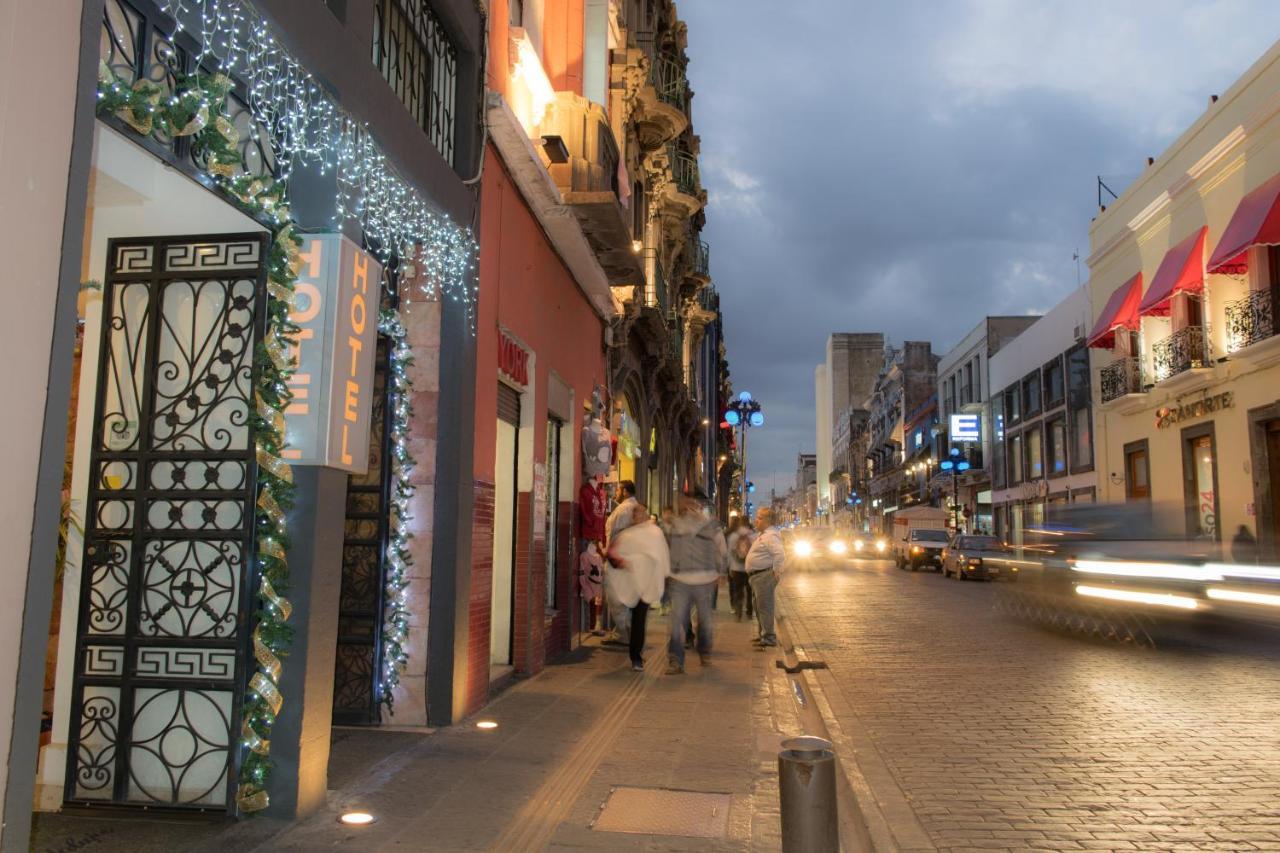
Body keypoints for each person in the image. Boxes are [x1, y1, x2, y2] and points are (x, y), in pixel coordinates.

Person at [664, 490, 729, 674]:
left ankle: (705, 650)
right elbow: (665, 547)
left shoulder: (710, 526)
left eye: (692, 503)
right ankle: (675, 660)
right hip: (679, 579)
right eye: (685, 503)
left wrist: (721, 573)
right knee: (677, 622)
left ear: (699, 506)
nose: (688, 507)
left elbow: (722, 550)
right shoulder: (674, 524)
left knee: (705, 621)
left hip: (705, 579)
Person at [605, 503, 670, 671]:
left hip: (646, 584)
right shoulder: (626, 536)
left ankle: (636, 656)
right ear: (633, 517)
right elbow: (612, 555)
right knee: (631, 619)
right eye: (637, 514)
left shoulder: (655, 534)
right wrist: (626, 563)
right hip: (628, 583)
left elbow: (662, 555)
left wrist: (662, 574)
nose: (640, 516)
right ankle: (633, 649)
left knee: (639, 620)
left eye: (642, 513)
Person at [602, 481, 639, 645]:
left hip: (618, 558)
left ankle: (623, 633)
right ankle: (622, 631)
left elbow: (615, 533)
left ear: (625, 492)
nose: (616, 492)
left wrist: (607, 551)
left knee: (616, 596)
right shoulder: (632, 507)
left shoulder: (624, 509)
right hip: (626, 558)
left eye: (618, 489)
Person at [745, 507, 786, 648]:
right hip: (758, 576)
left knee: (765, 607)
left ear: (767, 520)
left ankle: (769, 637)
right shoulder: (763, 534)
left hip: (764, 576)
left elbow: (779, 554)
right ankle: (763, 633)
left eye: (759, 517)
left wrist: (776, 571)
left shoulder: (770, 536)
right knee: (758, 606)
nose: (756, 520)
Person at [726, 516, 756, 621]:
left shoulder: (733, 536)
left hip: (736, 567)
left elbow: (729, 553)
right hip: (750, 568)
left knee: (738, 590)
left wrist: (729, 566)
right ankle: (749, 611)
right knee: (749, 591)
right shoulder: (753, 536)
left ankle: (738, 613)